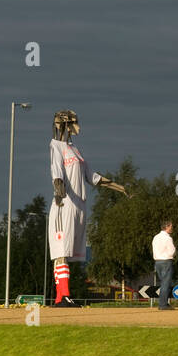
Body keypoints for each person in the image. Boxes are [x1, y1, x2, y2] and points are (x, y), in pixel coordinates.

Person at [49, 110, 129, 307]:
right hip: (64, 204)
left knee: (69, 251)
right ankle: (64, 295)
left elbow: (92, 177)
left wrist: (121, 188)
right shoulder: (56, 146)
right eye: (73, 123)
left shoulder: (75, 149)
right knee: (61, 250)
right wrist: (59, 193)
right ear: (64, 124)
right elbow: (56, 172)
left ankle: (61, 297)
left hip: (80, 206)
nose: (77, 127)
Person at [152, 220, 176, 310]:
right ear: (166, 227)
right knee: (166, 283)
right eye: (171, 226)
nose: (172, 228)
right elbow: (172, 251)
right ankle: (163, 304)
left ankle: (163, 303)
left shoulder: (156, 237)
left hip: (157, 261)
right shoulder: (168, 238)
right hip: (166, 261)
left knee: (163, 283)